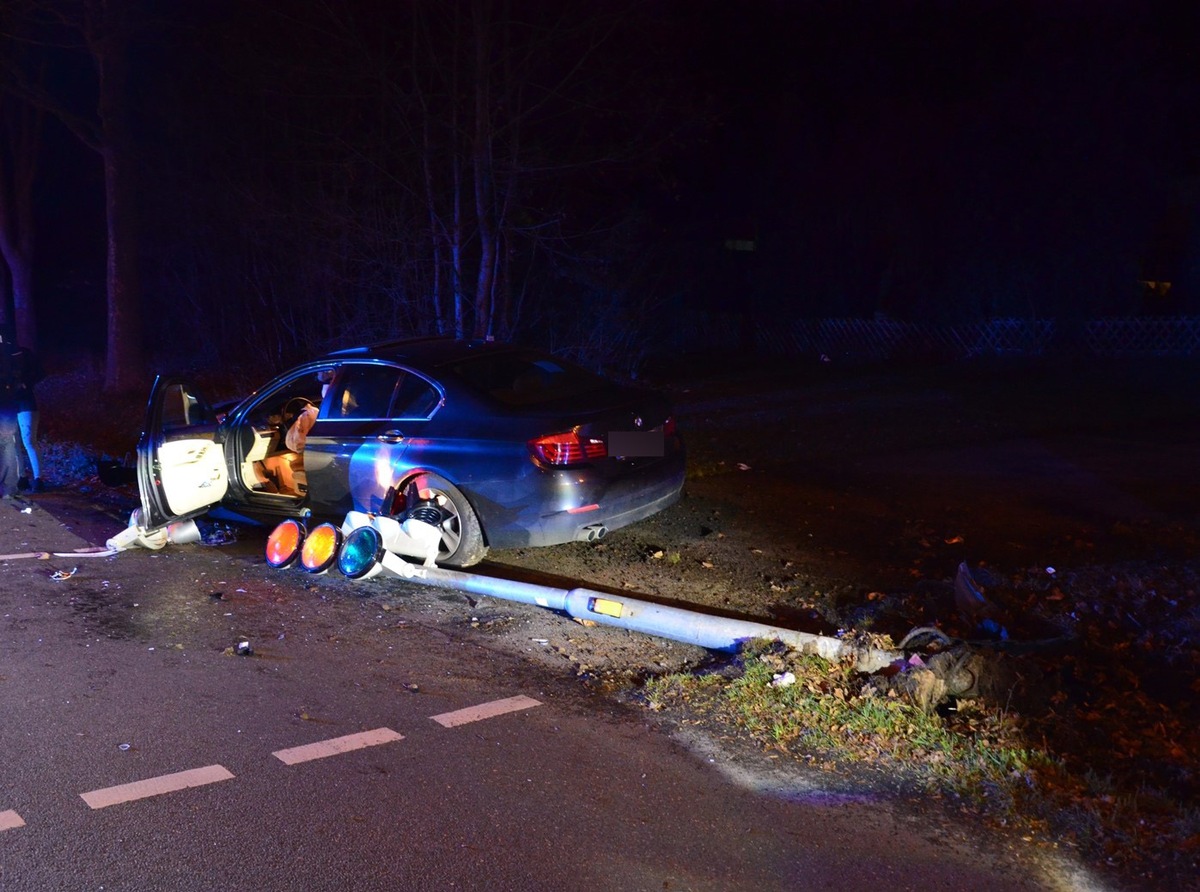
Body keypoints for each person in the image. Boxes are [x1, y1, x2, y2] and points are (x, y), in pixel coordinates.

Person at [0, 330, 44, 492]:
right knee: (15, 442)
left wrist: (25, 382)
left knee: (28, 441)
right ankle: (22, 477)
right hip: (9, 403)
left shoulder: (22, 354)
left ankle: (38, 478)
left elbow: (39, 373)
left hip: (24, 401)